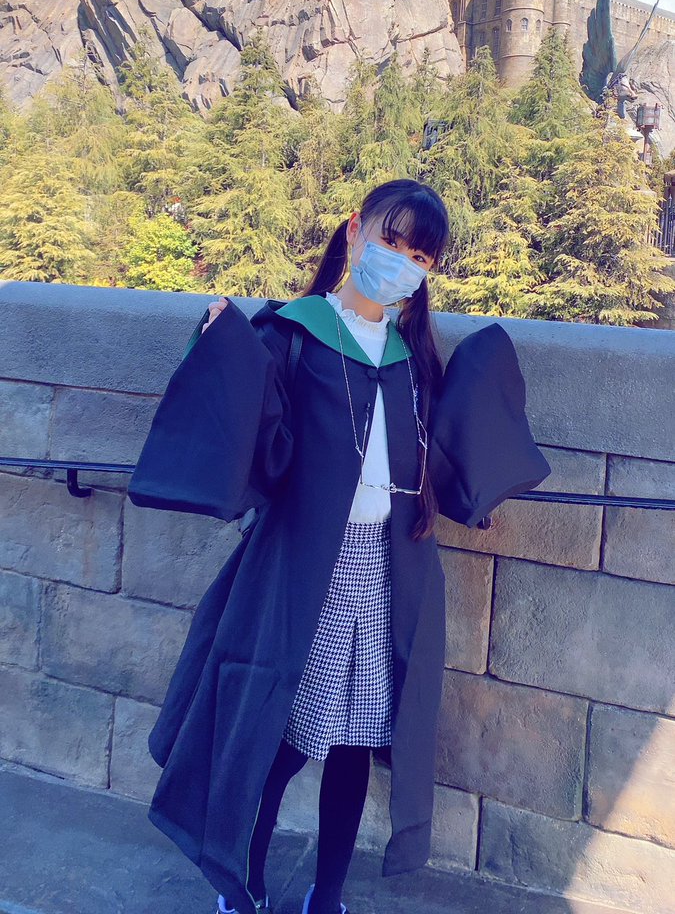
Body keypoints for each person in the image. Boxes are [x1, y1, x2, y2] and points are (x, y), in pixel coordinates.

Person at [128, 179, 551, 914]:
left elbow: (438, 457)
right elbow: (260, 445)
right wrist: (223, 344)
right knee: (279, 739)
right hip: (307, 570)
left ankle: (326, 897)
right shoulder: (294, 334)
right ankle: (243, 885)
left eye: (420, 256)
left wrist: (477, 485)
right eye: (392, 241)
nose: (402, 263)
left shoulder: (412, 358)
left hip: (389, 572)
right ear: (355, 231)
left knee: (356, 743)